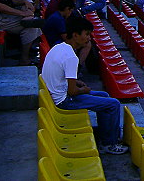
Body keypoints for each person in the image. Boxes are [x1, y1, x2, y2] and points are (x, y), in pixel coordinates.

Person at [41, 16, 129, 154]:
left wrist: (75, 82)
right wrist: (84, 90)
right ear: (75, 35)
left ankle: (105, 136)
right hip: (64, 101)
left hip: (57, 93)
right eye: (86, 34)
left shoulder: (59, 47)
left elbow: (59, 75)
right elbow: (72, 92)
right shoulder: (71, 57)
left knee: (104, 95)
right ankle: (109, 144)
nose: (89, 38)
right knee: (113, 104)